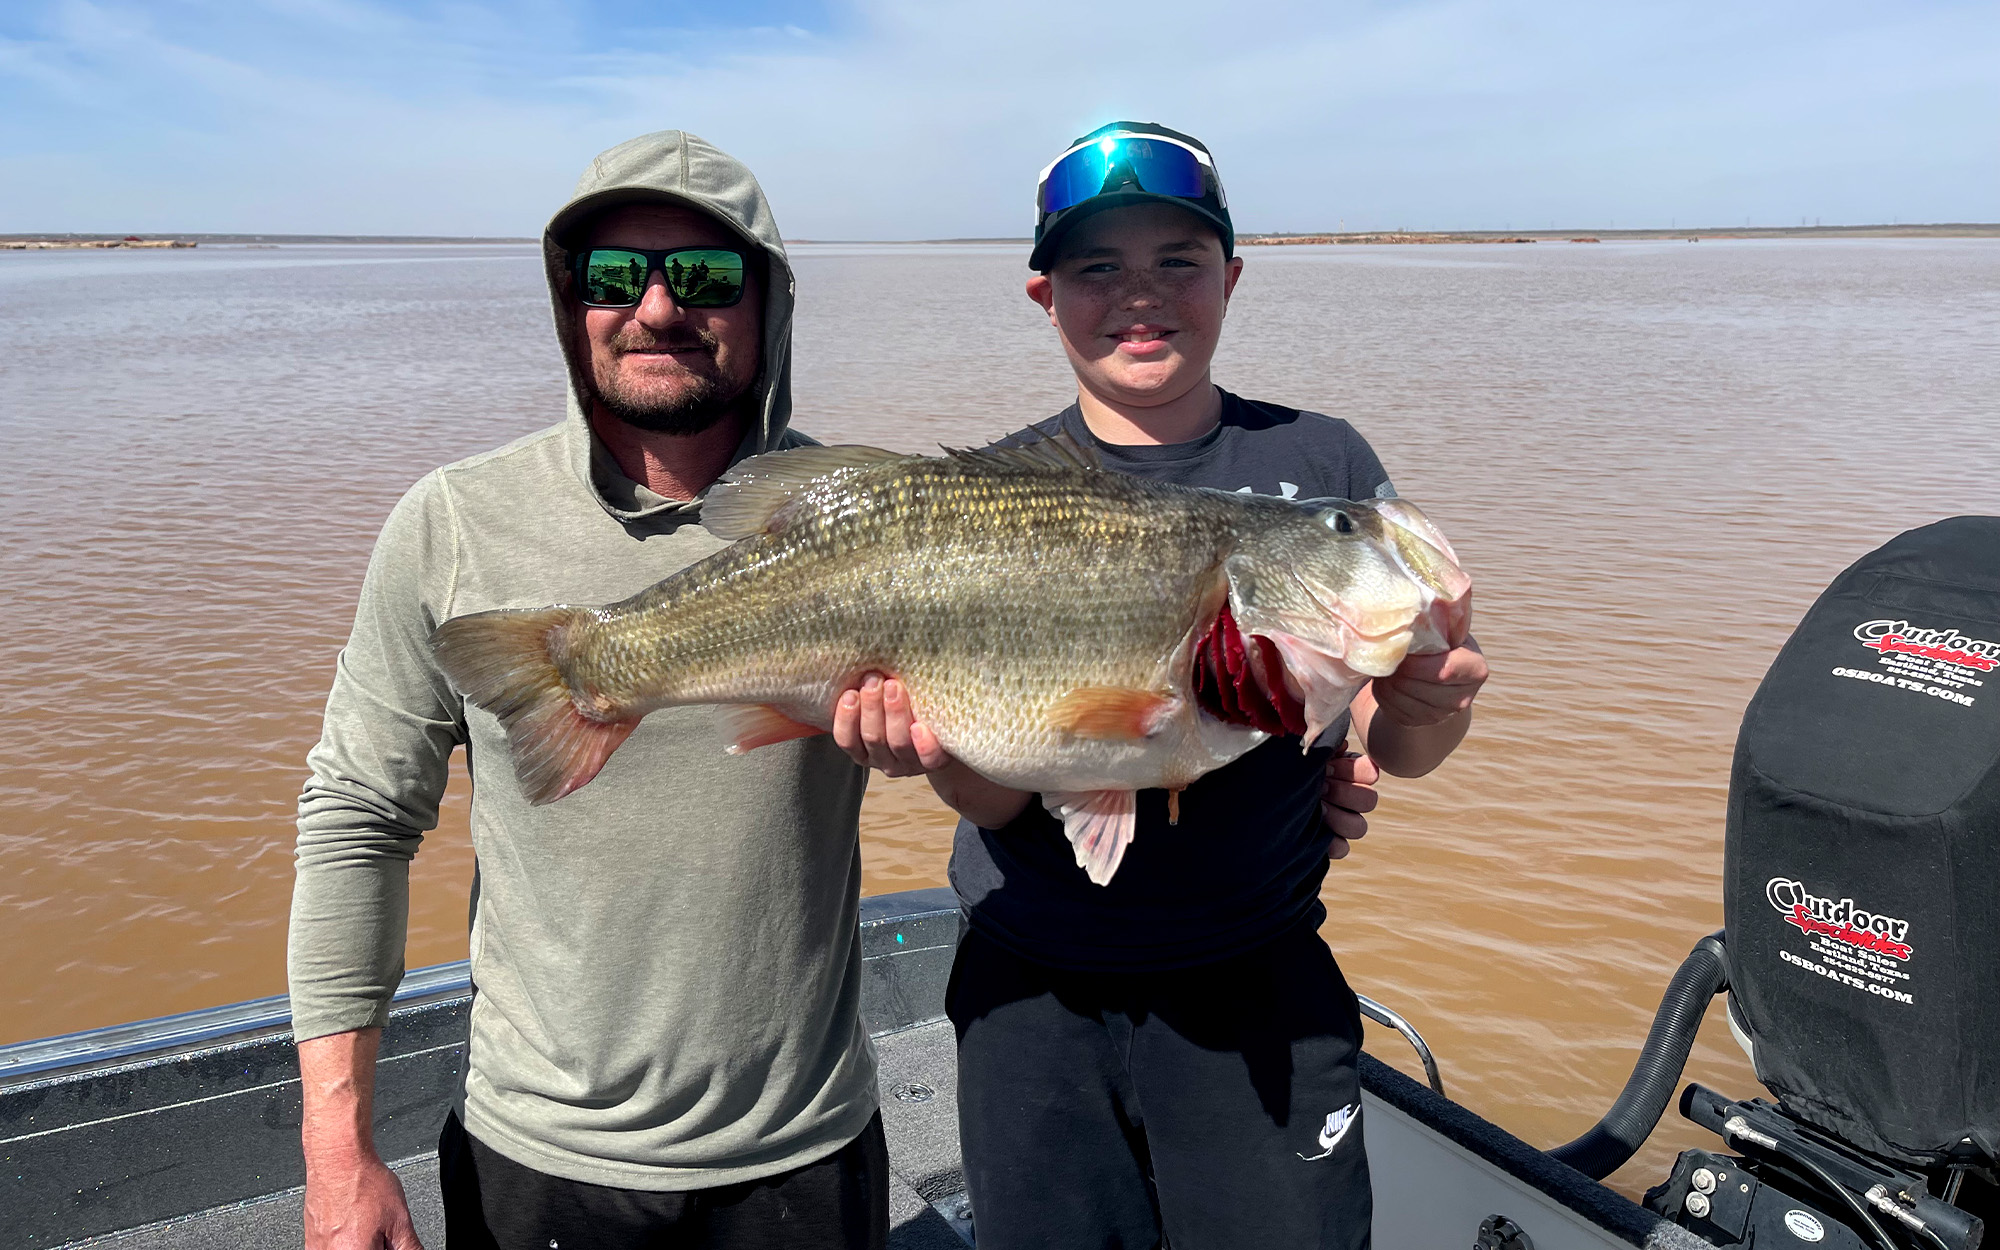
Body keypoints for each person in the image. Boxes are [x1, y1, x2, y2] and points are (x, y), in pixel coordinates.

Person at [832, 121, 1489, 1248]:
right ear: (1044, 296)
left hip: (1259, 984)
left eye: (1176, 262)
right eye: (1096, 269)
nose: (1139, 296)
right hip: (1026, 992)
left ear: (1228, 278)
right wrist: (945, 758)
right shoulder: (991, 492)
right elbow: (1000, 790)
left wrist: (1419, 707)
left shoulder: (1319, 460)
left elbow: (1387, 736)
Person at [287, 131, 888, 1250]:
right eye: (615, 275)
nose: (657, 308)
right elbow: (357, 820)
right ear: (571, 304)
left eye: (705, 276)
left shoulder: (861, 514)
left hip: (804, 1149)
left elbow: (1025, 754)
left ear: (770, 304)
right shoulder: (453, 522)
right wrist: (337, 1149)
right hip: (540, 1157)